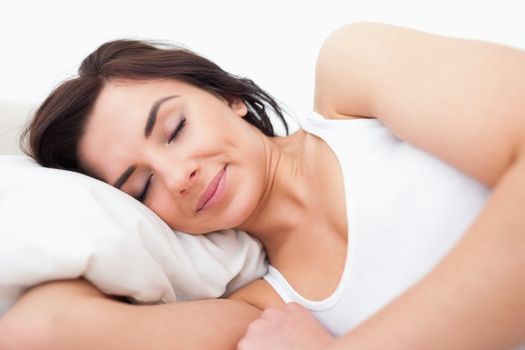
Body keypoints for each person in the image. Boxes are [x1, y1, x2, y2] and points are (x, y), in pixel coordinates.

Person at [3, 21, 525, 349]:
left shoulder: (353, 86)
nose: (177, 175)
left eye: (175, 129)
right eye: (141, 190)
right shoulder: (261, 315)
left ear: (229, 95)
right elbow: (40, 332)